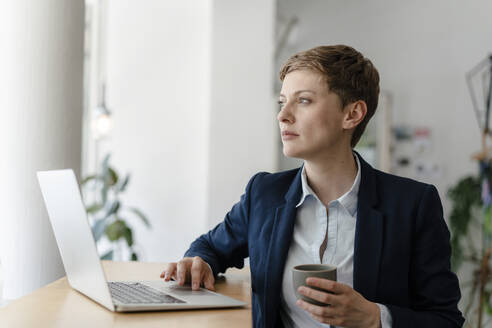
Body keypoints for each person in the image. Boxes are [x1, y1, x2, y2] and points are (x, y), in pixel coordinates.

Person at [160, 45, 464, 328]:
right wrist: (198, 263)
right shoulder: (264, 193)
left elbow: (446, 319)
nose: (282, 115)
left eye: (303, 100)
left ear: (352, 114)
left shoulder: (413, 204)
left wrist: (375, 317)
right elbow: (209, 247)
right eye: (282, 102)